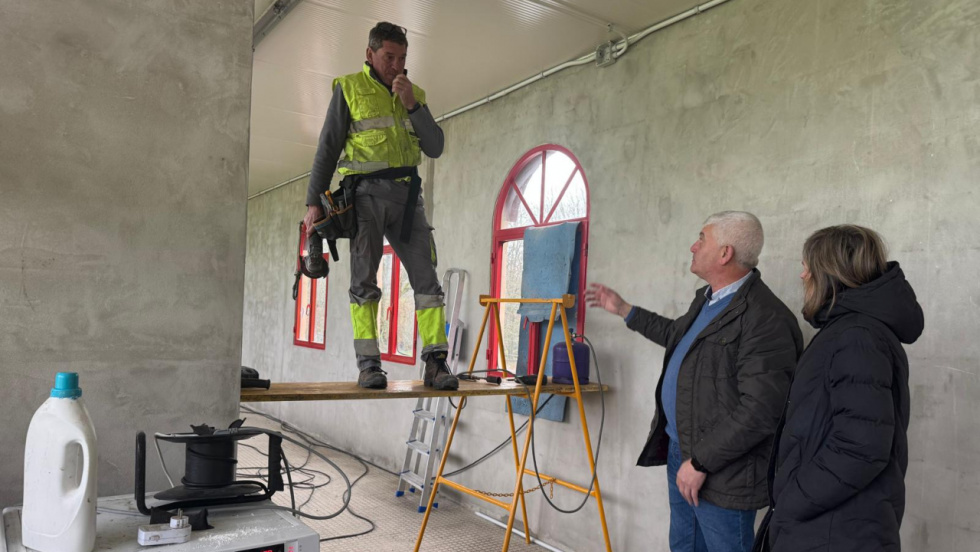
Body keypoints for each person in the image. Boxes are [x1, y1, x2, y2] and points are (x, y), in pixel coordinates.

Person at [586, 211, 802, 552]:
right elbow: (677, 334)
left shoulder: (765, 318)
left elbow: (762, 410)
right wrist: (625, 309)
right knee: (685, 546)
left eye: (702, 238)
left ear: (724, 253)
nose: (693, 246)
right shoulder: (707, 299)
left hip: (721, 469)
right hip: (682, 451)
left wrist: (701, 462)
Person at [302, 22, 457, 390]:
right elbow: (328, 147)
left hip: (408, 201)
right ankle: (369, 365)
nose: (396, 65)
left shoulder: (413, 93)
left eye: (402, 58)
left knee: (428, 281)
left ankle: (436, 363)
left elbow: (434, 146)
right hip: (365, 196)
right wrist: (314, 202)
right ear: (370, 54)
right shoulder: (349, 88)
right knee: (363, 282)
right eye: (389, 57)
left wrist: (412, 105)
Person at [754, 225, 923, 552]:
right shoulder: (848, 330)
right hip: (828, 525)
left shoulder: (858, 336)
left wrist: (793, 501)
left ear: (829, 271)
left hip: (835, 531)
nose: (802, 275)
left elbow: (863, 445)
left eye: (807, 265)